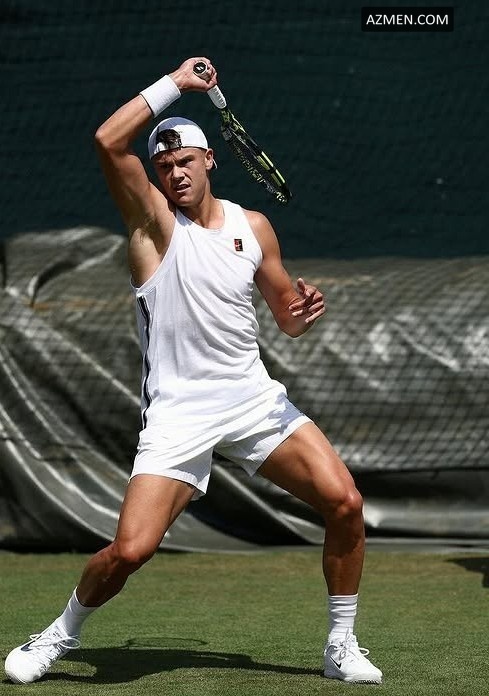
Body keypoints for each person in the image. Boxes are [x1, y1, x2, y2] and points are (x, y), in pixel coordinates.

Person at [4, 56, 382, 685]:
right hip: (179, 413)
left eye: (184, 161)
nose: (175, 173)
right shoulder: (153, 225)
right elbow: (108, 140)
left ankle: (340, 645)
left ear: (209, 160)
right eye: (164, 166)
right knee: (131, 550)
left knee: (345, 503)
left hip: (252, 401)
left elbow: (286, 317)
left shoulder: (253, 227)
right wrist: (176, 84)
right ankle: (59, 634)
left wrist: (302, 314)